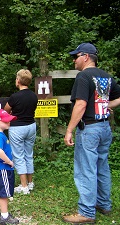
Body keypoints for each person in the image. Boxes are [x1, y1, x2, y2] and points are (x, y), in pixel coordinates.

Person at [63, 43, 120, 224]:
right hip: (105, 128)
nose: (74, 60)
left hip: (89, 129)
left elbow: (80, 105)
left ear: (86, 56)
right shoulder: (106, 76)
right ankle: (104, 204)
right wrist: (105, 106)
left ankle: (86, 212)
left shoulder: (83, 76)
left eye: (76, 56)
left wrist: (69, 130)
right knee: (102, 166)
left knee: (86, 169)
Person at [4, 69, 38, 195]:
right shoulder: (34, 96)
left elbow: (6, 110)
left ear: (18, 81)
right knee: (28, 154)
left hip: (17, 127)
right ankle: (30, 182)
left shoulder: (15, 97)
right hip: (31, 126)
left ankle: (23, 186)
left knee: (18, 156)